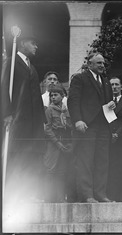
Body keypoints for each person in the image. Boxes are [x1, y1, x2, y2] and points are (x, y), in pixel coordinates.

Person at [1, 26, 46, 203]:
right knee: (18, 156)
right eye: (33, 43)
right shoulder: (11, 63)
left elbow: (36, 95)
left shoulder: (32, 67)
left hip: (33, 123)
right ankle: (14, 193)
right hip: (19, 120)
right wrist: (6, 114)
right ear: (22, 43)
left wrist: (42, 119)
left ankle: (29, 193)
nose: (36, 46)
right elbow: (4, 88)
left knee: (32, 157)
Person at [68, 51, 115, 203]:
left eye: (103, 63)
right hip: (87, 126)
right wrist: (77, 120)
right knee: (85, 160)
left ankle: (100, 194)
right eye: (99, 63)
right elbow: (73, 101)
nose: (102, 65)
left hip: (103, 127)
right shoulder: (79, 78)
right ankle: (87, 195)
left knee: (102, 161)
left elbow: (107, 103)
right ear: (90, 64)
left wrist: (111, 104)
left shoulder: (106, 81)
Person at [43, 84, 73, 203]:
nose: (53, 97)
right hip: (53, 143)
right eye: (51, 95)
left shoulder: (66, 110)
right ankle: (48, 198)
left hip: (65, 142)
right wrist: (57, 142)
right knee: (51, 170)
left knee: (62, 171)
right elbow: (47, 128)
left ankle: (61, 198)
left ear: (62, 96)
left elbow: (70, 126)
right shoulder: (49, 110)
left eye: (56, 95)